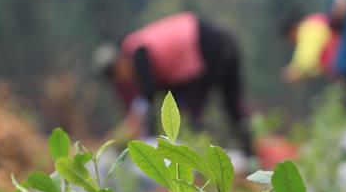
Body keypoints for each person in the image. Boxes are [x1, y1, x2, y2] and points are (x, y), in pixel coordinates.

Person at [94, 12, 253, 155]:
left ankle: (205, 156)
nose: (121, 78)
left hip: (203, 46)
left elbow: (148, 102)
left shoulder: (137, 52)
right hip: (220, 42)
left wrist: (125, 133)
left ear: (120, 60)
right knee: (231, 105)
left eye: (115, 73)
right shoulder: (144, 51)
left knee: (194, 113)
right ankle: (248, 153)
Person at [280, 11, 339, 83]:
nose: (292, 43)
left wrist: (295, 71)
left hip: (343, 66)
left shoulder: (308, 28)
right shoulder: (314, 22)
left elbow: (308, 61)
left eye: (290, 38)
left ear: (292, 30)